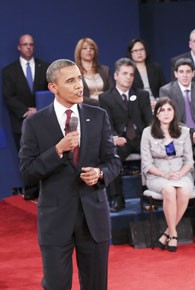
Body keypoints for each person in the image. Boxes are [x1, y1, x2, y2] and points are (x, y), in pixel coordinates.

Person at [19, 59, 121, 290]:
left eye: (79, 79)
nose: (79, 86)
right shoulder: (34, 123)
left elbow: (113, 162)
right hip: (55, 220)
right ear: (53, 87)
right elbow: (27, 173)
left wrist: (100, 173)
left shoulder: (98, 116)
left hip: (93, 218)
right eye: (70, 81)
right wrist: (57, 150)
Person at [140, 97, 194, 252]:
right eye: (162, 110)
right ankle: (174, 234)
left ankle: (167, 233)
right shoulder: (148, 133)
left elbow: (189, 161)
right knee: (169, 191)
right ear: (156, 113)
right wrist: (164, 175)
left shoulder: (183, 132)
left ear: (174, 112)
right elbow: (146, 164)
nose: (166, 113)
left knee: (184, 191)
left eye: (169, 109)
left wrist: (180, 173)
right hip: (157, 175)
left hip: (181, 174)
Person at [99, 58, 153, 212]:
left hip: (141, 138)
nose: (128, 77)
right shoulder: (106, 97)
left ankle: (149, 196)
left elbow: (149, 120)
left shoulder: (142, 95)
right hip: (120, 140)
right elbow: (106, 123)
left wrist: (150, 138)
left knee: (155, 150)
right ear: (116, 75)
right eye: (124, 73)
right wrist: (115, 137)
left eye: (131, 74)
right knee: (112, 156)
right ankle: (117, 198)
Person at [2, 34, 49, 200]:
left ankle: (46, 190)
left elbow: (52, 92)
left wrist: (39, 108)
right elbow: (8, 97)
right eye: (25, 44)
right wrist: (26, 111)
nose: (28, 47)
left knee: (45, 155)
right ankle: (30, 191)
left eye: (31, 44)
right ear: (19, 47)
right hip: (20, 122)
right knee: (26, 157)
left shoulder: (46, 67)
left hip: (43, 121)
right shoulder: (8, 71)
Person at [159, 58, 195, 143]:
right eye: (181, 72)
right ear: (176, 74)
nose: (185, 75)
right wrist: (189, 133)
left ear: (193, 73)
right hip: (177, 133)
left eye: (188, 72)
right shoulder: (166, 91)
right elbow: (168, 117)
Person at [127, 38, 165, 110]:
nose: (139, 53)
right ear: (130, 53)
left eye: (141, 50)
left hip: (157, 103)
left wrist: (157, 101)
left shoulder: (156, 68)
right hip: (138, 105)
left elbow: (163, 88)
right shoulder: (129, 71)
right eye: (135, 51)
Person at [74, 37, 113, 105]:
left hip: (107, 106)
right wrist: (98, 102)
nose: (89, 50)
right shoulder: (74, 72)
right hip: (86, 107)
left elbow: (112, 91)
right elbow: (76, 95)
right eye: (85, 48)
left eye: (91, 48)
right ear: (79, 52)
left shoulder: (105, 70)